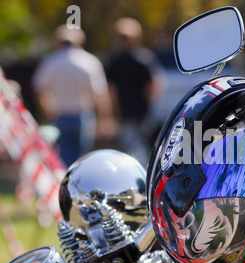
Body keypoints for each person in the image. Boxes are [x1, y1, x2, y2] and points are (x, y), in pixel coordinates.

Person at [32, 25, 115, 167]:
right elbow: (100, 94)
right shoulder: (89, 62)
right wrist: (105, 119)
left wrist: (46, 114)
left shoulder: (51, 61)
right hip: (83, 115)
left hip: (60, 115)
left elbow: (40, 90)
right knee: (82, 160)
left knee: (63, 159)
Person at [105, 17, 166, 165]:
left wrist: (114, 110)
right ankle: (143, 173)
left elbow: (111, 90)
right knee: (139, 144)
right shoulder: (145, 58)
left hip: (126, 111)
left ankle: (139, 176)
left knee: (131, 146)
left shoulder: (115, 60)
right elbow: (156, 86)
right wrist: (148, 103)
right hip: (141, 110)